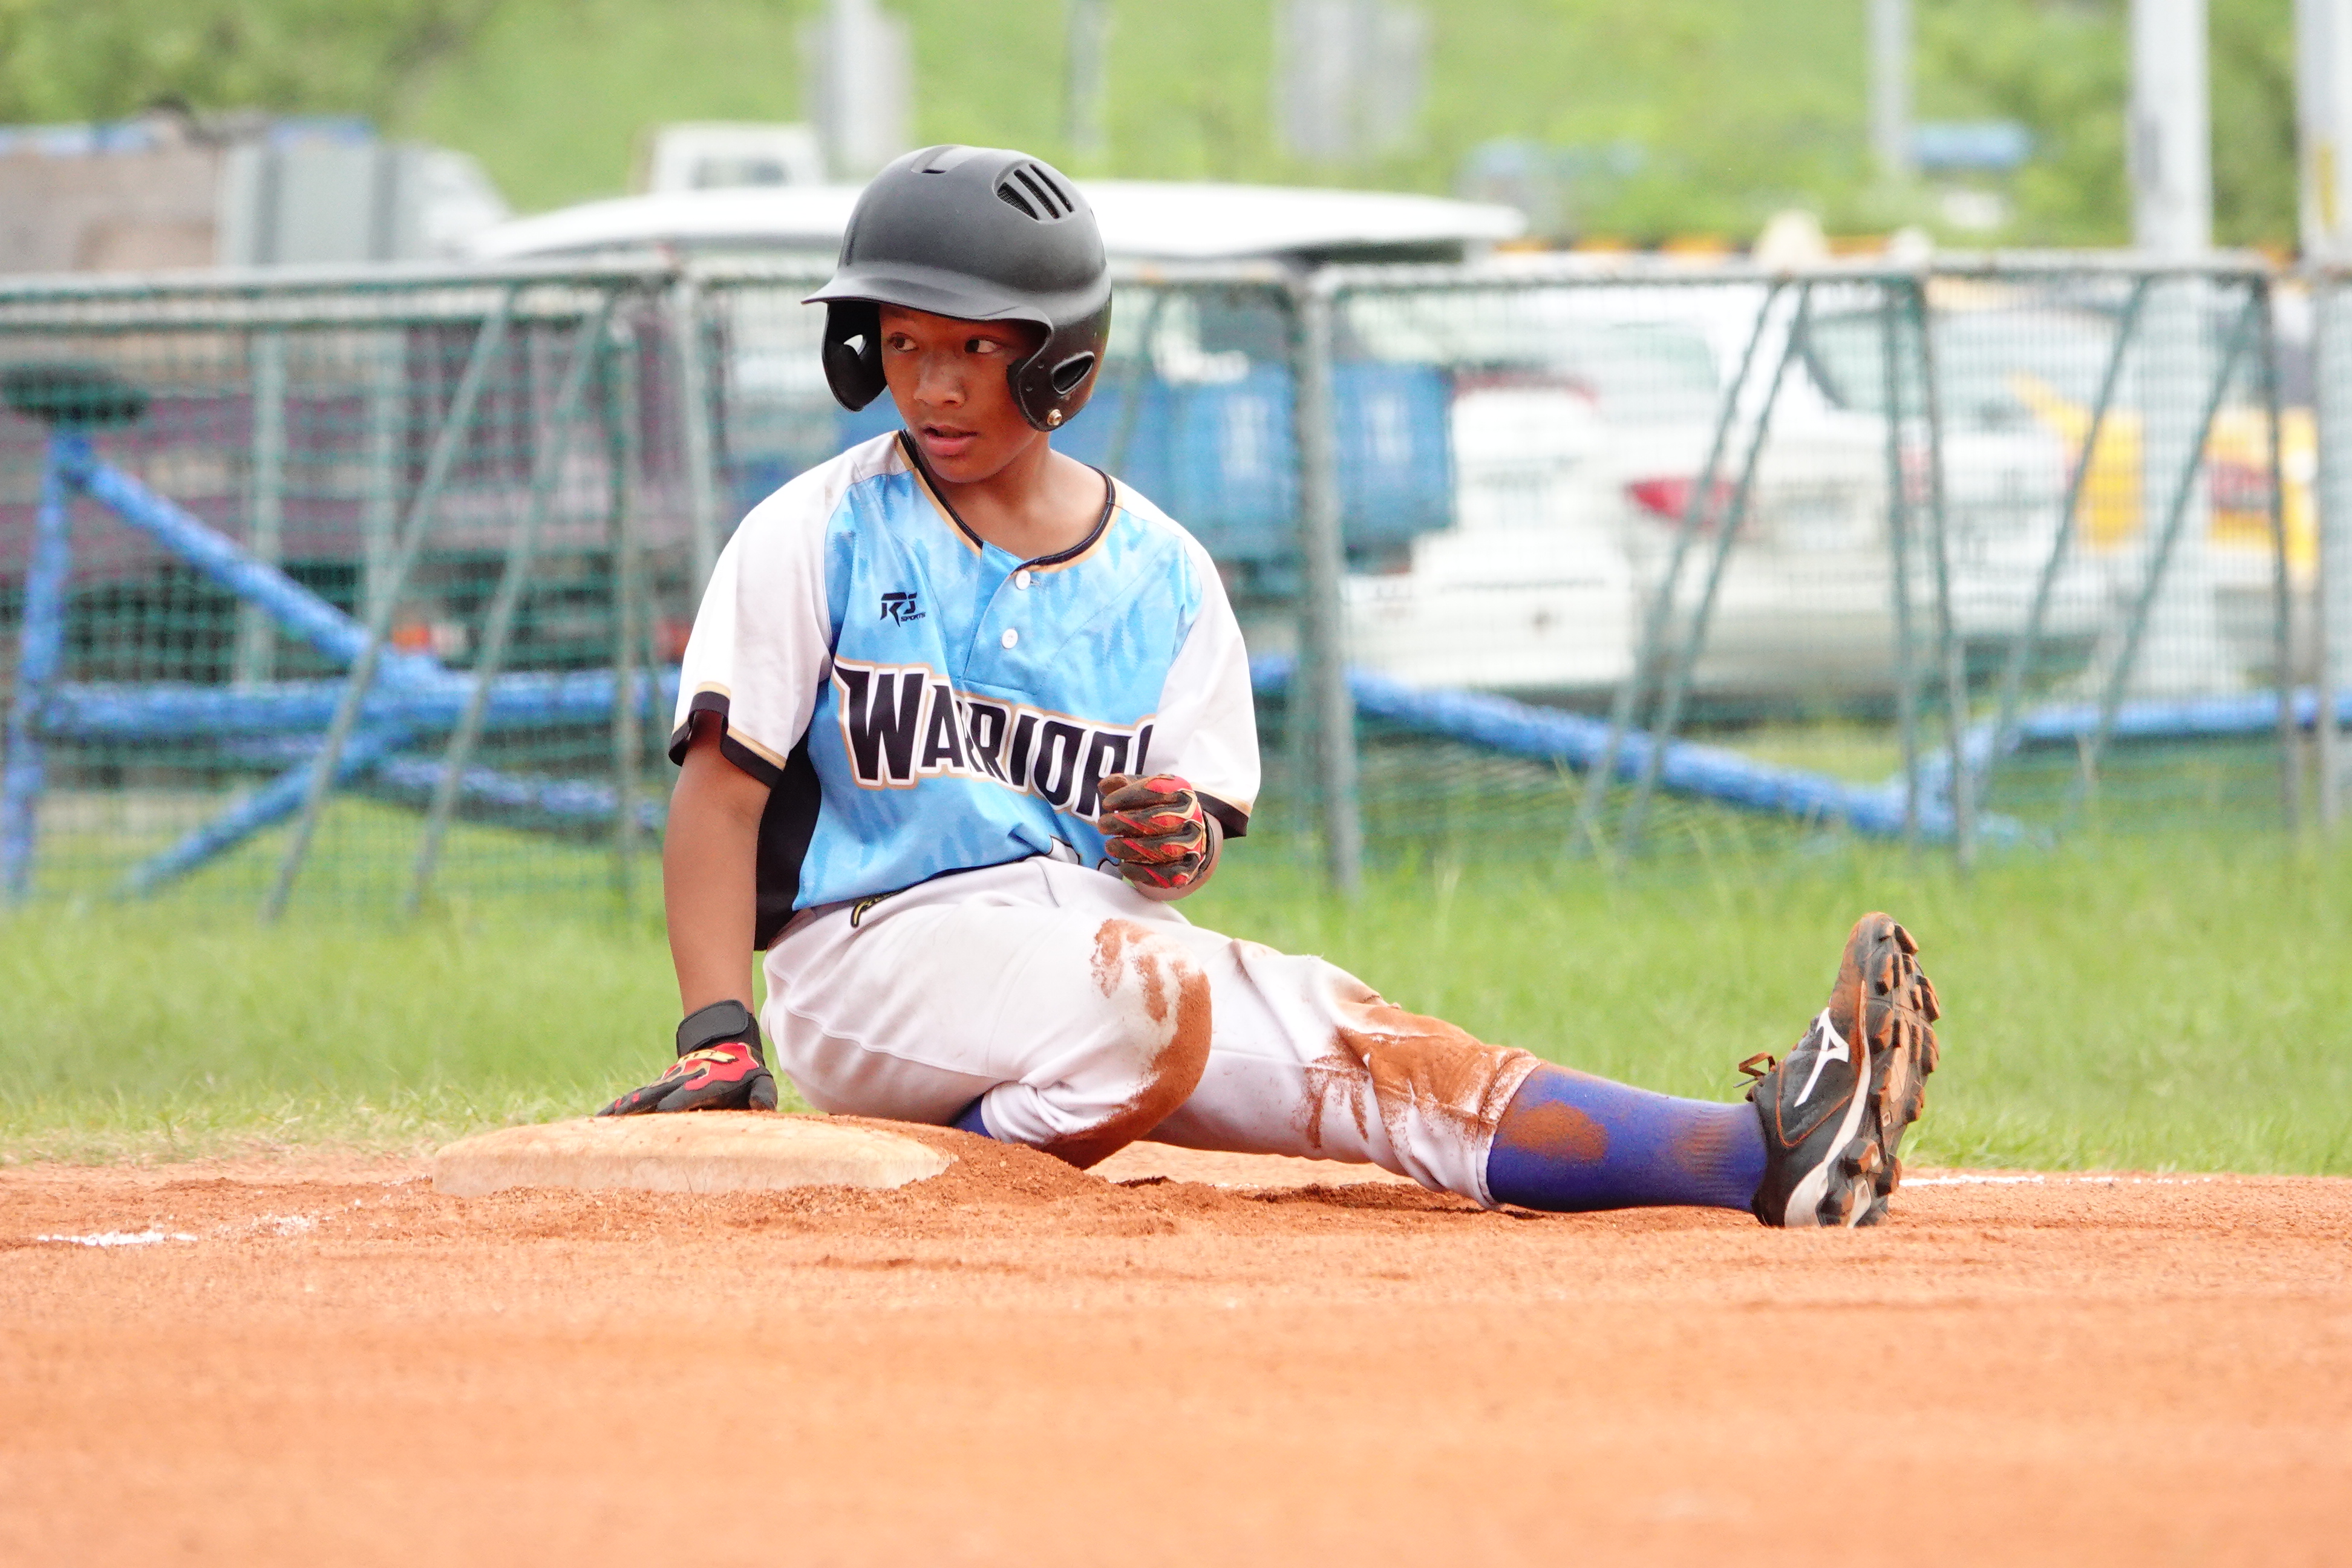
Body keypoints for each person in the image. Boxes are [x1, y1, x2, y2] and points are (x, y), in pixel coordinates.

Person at [599, 145, 1944, 1227]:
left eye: (974, 347)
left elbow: (1179, 856)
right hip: (869, 959)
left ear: (1062, 355)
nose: (934, 385)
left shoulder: (1165, 577)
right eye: (903, 344)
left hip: (1091, 953)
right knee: (1150, 996)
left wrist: (1172, 843)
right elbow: (724, 796)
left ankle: (1754, 1156)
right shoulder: (817, 530)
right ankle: (967, 1165)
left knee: (1366, 1047)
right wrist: (719, 1029)